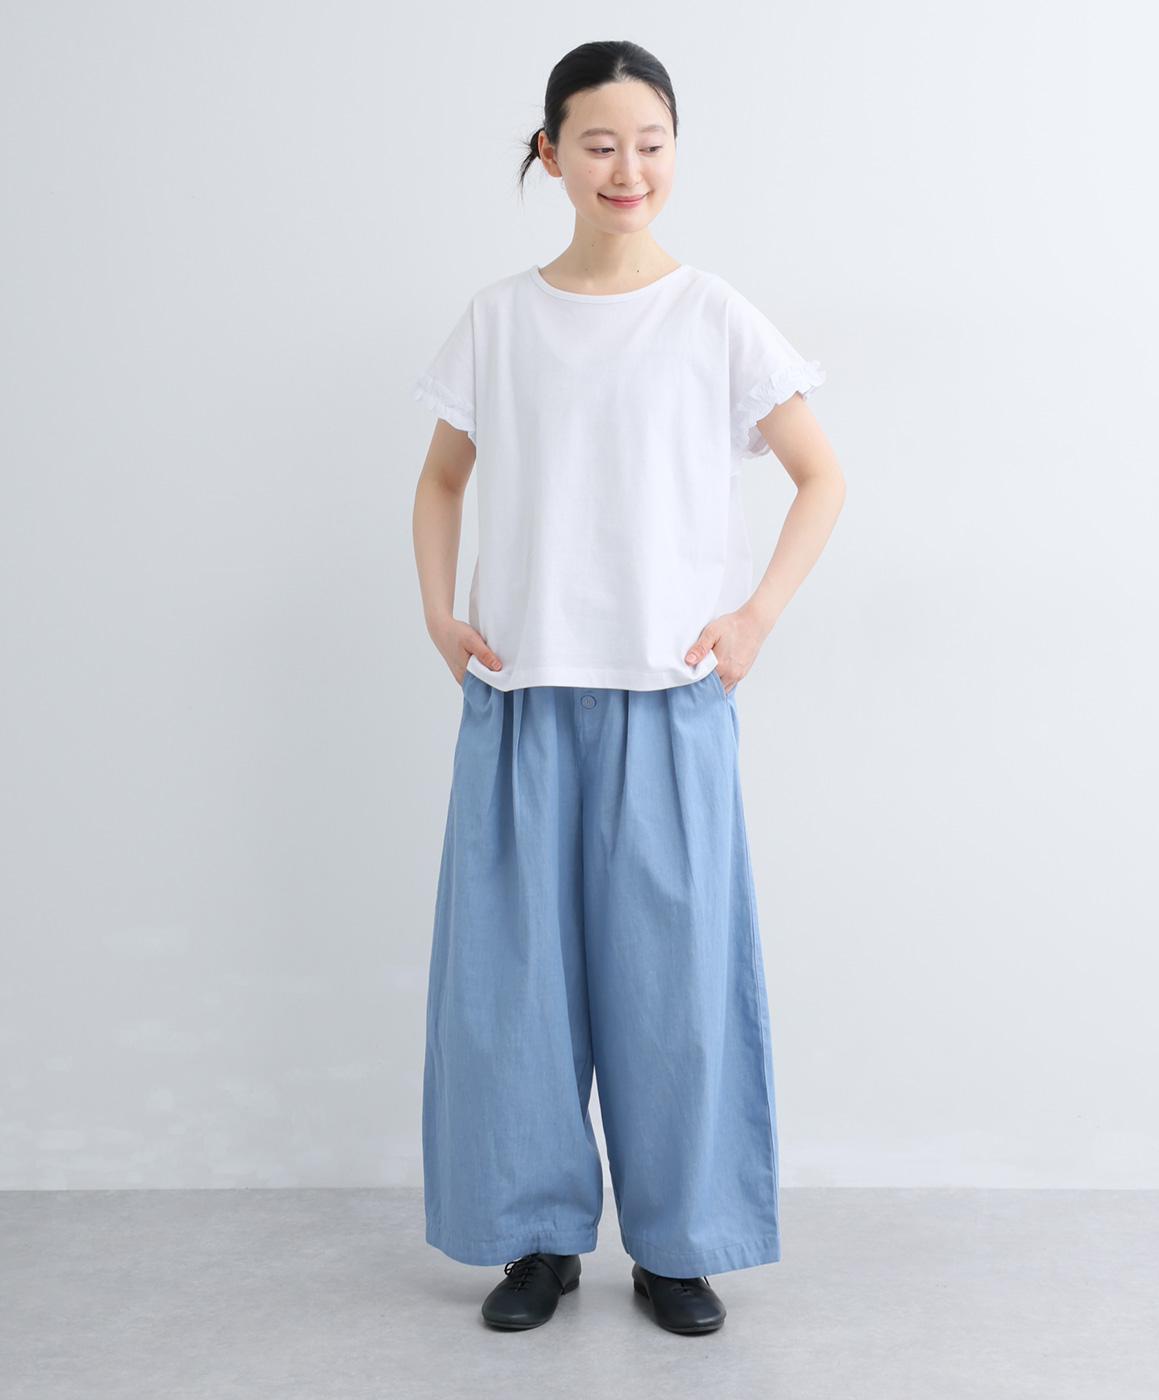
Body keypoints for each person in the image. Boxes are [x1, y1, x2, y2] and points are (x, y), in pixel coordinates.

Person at [410, 40, 845, 1336]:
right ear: (550, 153)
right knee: (514, 994)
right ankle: (536, 1240)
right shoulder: (500, 319)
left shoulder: (714, 315)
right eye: (599, 144)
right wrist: (440, 614)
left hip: (669, 697)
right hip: (524, 693)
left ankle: (678, 1245)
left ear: (673, 150)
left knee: (677, 993)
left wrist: (755, 617)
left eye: (650, 142)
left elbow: (821, 475)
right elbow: (442, 479)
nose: (627, 168)